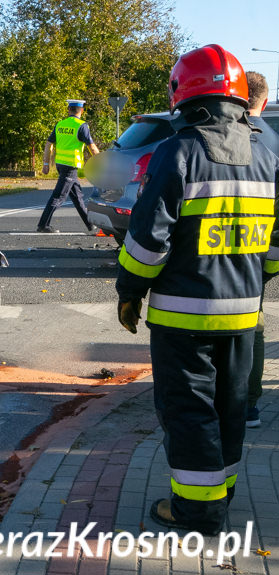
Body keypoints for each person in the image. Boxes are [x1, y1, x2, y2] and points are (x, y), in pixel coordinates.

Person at [116, 45, 279, 535]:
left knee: (189, 415)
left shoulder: (178, 152)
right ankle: (219, 496)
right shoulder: (268, 157)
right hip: (244, 316)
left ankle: (197, 512)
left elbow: (147, 241)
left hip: (182, 321)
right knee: (229, 411)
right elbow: (274, 249)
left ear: (182, 93)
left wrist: (129, 291)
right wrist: (254, 281)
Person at [243, 71, 279, 429]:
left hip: (217, 251)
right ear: (265, 102)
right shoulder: (274, 141)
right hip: (259, 253)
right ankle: (249, 404)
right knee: (253, 325)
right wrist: (269, 264)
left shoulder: (228, 137)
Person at [37, 99, 101, 233]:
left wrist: (46, 163)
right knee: (58, 197)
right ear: (82, 111)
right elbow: (92, 147)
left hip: (61, 164)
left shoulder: (60, 124)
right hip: (71, 166)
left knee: (77, 197)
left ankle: (90, 225)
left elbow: (49, 144)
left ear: (68, 110)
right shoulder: (81, 125)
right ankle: (43, 225)